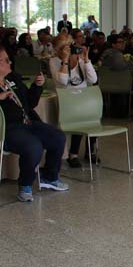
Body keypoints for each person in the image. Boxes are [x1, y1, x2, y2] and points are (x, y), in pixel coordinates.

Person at [0, 45, 69, 201]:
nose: (9, 63)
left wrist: (37, 86)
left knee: (57, 137)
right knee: (33, 146)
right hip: (7, 130)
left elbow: (29, 103)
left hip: (27, 123)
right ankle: (25, 185)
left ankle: (49, 177)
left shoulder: (13, 78)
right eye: (5, 60)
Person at [49, 34, 99, 168]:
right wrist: (65, 61)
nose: (68, 50)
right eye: (64, 48)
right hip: (66, 101)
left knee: (94, 115)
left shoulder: (80, 59)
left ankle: (90, 150)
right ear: (57, 50)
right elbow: (63, 82)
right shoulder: (54, 61)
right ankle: (73, 154)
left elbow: (93, 80)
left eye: (70, 46)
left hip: (82, 100)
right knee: (80, 118)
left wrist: (86, 60)